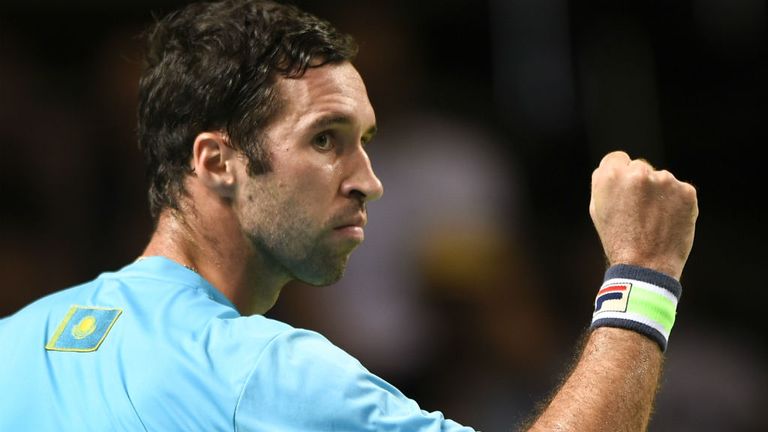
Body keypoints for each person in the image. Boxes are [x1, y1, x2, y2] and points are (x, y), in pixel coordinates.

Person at [0, 0, 698, 430]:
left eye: (363, 141)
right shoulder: (265, 374)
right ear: (217, 161)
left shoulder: (16, 343)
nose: (369, 181)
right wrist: (645, 270)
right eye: (326, 140)